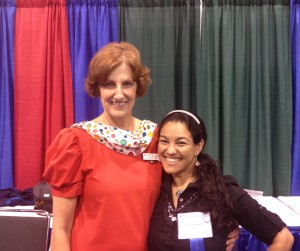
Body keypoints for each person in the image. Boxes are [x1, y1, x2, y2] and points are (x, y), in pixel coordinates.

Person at [43, 42, 238, 251]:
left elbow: (196, 183)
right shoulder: (75, 142)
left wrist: (227, 220)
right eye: (109, 84)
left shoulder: (156, 139)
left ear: (138, 86)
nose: (119, 94)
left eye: (127, 84)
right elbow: (61, 229)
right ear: (97, 88)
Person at [147, 110, 294, 251]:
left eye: (181, 143)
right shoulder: (154, 187)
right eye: (164, 141)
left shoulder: (222, 191)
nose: (170, 150)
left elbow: (283, 238)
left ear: (198, 147)